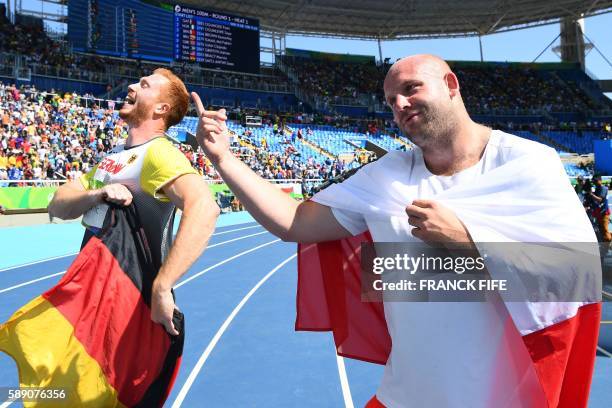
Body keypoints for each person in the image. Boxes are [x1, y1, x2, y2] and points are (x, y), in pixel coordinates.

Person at [191, 55, 600, 407]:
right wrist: (224, 159)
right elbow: (295, 223)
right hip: (405, 395)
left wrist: (467, 241)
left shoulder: (528, 163)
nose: (400, 104)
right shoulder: (385, 175)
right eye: (391, 100)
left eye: (411, 88)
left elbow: (578, 271)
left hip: (502, 397)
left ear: (450, 85)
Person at [49, 68, 220, 334]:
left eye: (144, 85)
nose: (132, 86)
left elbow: (205, 208)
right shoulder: (114, 156)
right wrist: (98, 193)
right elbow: (58, 204)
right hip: (92, 298)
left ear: (161, 108)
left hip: (129, 308)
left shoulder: (159, 153)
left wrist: (163, 286)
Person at [589, 174, 611, 243]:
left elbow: (600, 200)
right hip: (598, 213)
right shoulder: (597, 189)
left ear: (600, 180)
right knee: (602, 231)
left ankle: (608, 247)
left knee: (605, 231)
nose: (594, 182)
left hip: (604, 213)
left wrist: (591, 194)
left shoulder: (603, 188)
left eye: (595, 181)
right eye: (593, 181)